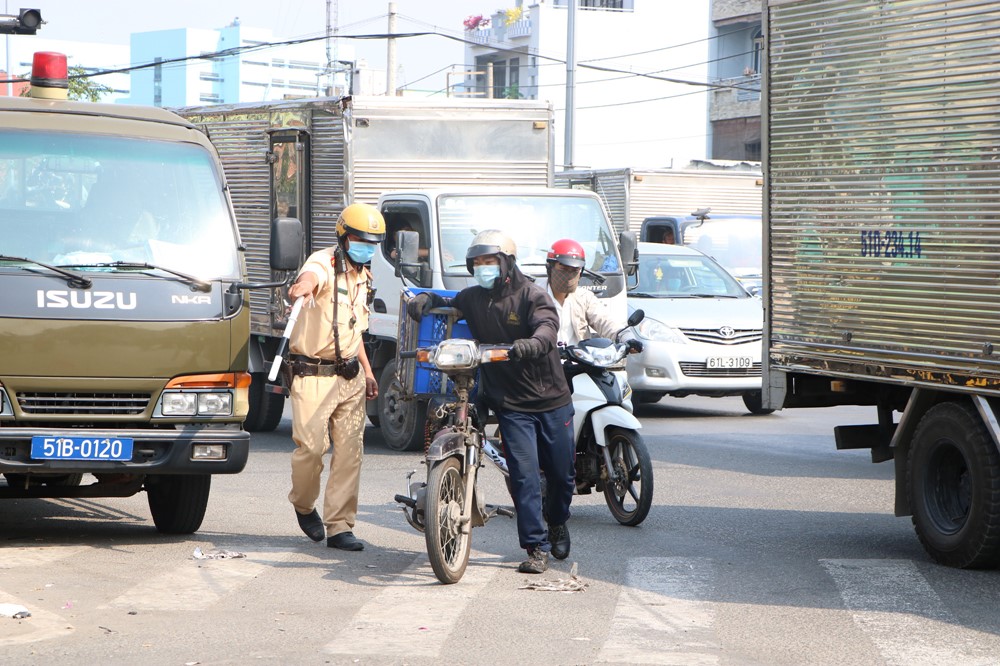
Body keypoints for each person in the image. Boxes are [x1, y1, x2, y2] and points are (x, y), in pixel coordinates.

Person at [406, 230, 574, 574]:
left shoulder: (532, 296)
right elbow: (446, 300)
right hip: (510, 404)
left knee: (561, 476)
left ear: (506, 263)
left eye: (489, 261)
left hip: (551, 401)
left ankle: (557, 520)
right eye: (477, 263)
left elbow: (547, 327)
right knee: (524, 477)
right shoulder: (473, 297)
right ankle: (536, 546)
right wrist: (421, 298)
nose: (483, 268)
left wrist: (532, 343)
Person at [285, 202, 384, 551]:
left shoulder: (363, 276)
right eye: (360, 240)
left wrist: (369, 373)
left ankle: (340, 526)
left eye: (373, 242)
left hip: (351, 377)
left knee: (349, 454)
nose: (367, 248)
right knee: (312, 449)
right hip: (313, 372)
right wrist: (303, 287)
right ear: (344, 237)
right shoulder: (323, 262)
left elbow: (353, 333)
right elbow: (310, 278)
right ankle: (302, 504)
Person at [545, 238, 623, 346]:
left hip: (577, 360)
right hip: (543, 360)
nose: (568, 275)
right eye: (563, 268)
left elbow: (604, 321)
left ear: (580, 272)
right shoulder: (534, 295)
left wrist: (624, 336)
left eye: (574, 270)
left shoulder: (584, 297)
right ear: (549, 267)